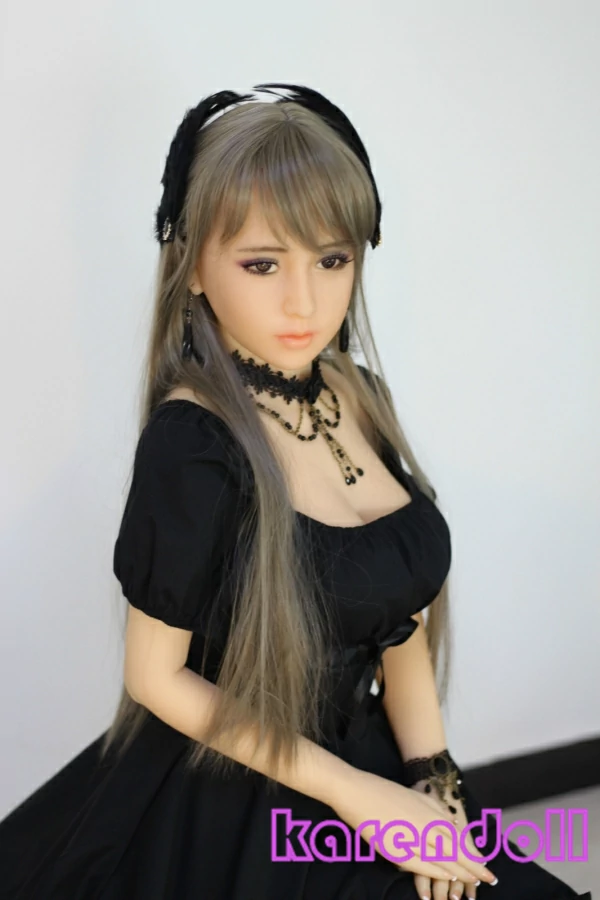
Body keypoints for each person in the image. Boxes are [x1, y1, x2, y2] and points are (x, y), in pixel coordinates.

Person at [0, 83, 591, 900]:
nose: (304, 301)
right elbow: (155, 676)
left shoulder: (357, 394)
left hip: (373, 764)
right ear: (193, 267)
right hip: (242, 791)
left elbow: (399, 620)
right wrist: (358, 799)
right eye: (262, 263)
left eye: (332, 259)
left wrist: (433, 778)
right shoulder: (193, 444)